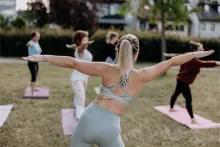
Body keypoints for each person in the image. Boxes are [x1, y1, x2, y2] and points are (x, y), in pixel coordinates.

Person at [23, 34, 213, 147]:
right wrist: (196, 54)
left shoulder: (106, 69)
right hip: (110, 128)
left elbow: (72, 62)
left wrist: (43, 57)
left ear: (118, 50)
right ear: (137, 53)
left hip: (88, 120)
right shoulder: (143, 75)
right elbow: (172, 61)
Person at [164, 41, 220, 124]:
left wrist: (169, 54)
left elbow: (178, 55)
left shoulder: (188, 55)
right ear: (196, 50)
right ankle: (192, 119)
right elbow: (205, 63)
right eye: (201, 48)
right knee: (188, 99)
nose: (203, 50)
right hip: (183, 81)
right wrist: (217, 63)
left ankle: (171, 108)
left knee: (176, 93)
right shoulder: (195, 61)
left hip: (180, 78)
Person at [66, 30, 93, 120]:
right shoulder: (79, 50)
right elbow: (80, 48)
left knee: (79, 96)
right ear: (79, 41)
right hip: (77, 79)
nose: (87, 40)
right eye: (85, 39)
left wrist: (71, 46)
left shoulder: (83, 50)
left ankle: (75, 108)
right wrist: (85, 43)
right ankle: (79, 118)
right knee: (81, 97)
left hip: (84, 78)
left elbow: (77, 46)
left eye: (87, 39)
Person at [26, 32, 42, 96]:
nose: (38, 38)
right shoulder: (31, 42)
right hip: (31, 62)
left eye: (38, 37)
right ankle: (32, 92)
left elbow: (39, 50)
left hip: (36, 61)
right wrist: (29, 44)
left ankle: (34, 87)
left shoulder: (36, 43)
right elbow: (28, 44)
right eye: (37, 37)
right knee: (34, 76)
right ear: (33, 37)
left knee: (35, 75)